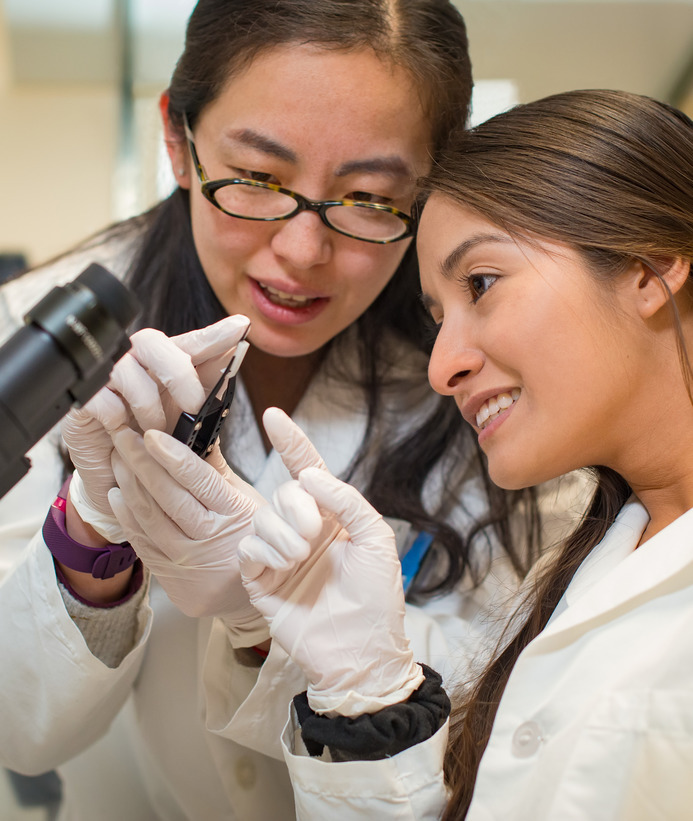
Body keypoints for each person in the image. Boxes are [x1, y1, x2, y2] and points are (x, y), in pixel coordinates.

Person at [0, 2, 576, 819]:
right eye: (259, 181)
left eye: (370, 198)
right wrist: (89, 539)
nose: (304, 252)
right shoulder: (34, 332)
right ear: (177, 142)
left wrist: (273, 621)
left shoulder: (479, 379)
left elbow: (497, 724)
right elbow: (21, 732)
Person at [236, 88, 693, 819]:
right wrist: (364, 691)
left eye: (481, 283)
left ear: (648, 264)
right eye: (438, 315)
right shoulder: (594, 562)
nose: (440, 365)